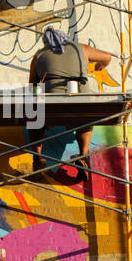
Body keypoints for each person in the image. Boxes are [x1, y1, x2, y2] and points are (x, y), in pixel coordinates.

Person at [27, 25, 114, 180]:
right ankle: (83, 156)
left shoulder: (38, 56)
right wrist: (99, 66)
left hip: (52, 108)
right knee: (85, 121)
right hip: (80, 103)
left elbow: (32, 88)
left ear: (45, 43)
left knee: (35, 118)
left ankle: (37, 156)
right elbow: (108, 57)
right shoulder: (82, 49)